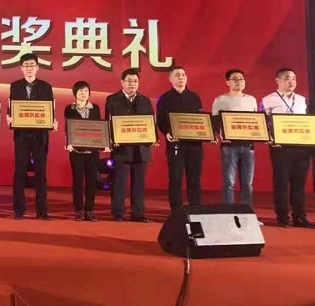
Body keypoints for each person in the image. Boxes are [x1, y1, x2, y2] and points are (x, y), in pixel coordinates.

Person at [259, 68, 313, 228]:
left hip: (301, 147)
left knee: (299, 184)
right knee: (281, 182)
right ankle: (282, 216)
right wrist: (269, 138)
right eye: (287, 78)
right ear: (278, 80)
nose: (291, 82)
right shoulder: (268, 100)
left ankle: (299, 217)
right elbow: (262, 122)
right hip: (280, 147)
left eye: (294, 79)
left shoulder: (302, 100)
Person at [7, 52, 54, 220]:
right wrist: (10, 118)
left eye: (32, 65)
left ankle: (42, 211)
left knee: (40, 174)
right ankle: (18, 210)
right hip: (21, 136)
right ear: (21, 68)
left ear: (37, 67)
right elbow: (11, 108)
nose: (29, 69)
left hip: (40, 136)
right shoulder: (15, 86)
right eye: (26, 66)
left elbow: (50, 110)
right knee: (20, 172)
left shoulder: (46, 87)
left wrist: (53, 121)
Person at [104, 69, 154, 222]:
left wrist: (153, 138)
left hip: (141, 149)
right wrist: (111, 140)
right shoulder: (113, 100)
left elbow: (151, 122)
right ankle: (118, 213)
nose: (132, 84)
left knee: (139, 183)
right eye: (129, 81)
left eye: (135, 81)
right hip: (121, 148)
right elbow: (107, 122)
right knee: (119, 183)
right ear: (122, 82)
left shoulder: (145, 101)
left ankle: (138, 213)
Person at [156, 66, 204, 210]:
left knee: (194, 178)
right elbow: (160, 121)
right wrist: (167, 133)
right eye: (177, 75)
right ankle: (176, 209)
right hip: (175, 144)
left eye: (183, 74)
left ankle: (196, 209)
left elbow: (201, 120)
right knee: (176, 178)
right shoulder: (165, 98)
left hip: (194, 145)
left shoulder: (194, 97)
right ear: (170, 79)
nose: (181, 77)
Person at [211, 69, 258, 207]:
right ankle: (228, 211)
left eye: (241, 79)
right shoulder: (220, 100)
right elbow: (215, 122)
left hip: (248, 146)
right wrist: (222, 134)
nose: (239, 82)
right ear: (228, 82)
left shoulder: (251, 100)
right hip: (229, 146)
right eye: (235, 79)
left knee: (247, 183)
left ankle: (247, 212)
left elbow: (257, 121)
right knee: (229, 183)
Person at [64, 80, 107, 221]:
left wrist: (103, 143)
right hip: (76, 151)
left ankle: (90, 210)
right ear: (75, 93)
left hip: (92, 152)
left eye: (86, 91)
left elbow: (98, 127)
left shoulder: (95, 108)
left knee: (92, 181)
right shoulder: (69, 108)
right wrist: (69, 142)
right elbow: (68, 127)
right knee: (78, 181)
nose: (83, 93)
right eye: (80, 91)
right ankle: (79, 210)